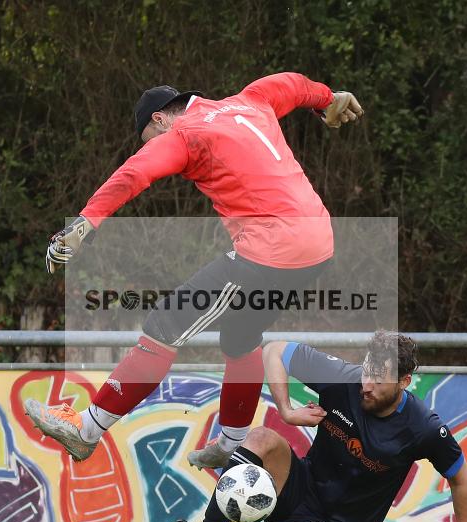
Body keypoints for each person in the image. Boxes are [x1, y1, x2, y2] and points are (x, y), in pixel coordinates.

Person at [25, 73, 364, 469]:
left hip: (271, 250)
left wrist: (84, 223)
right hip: (319, 243)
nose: (155, 146)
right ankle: (233, 442)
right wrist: (327, 99)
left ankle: (87, 429)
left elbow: (136, 173)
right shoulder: (251, 100)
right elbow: (290, 84)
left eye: (150, 139)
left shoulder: (185, 134)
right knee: (241, 337)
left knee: (166, 324)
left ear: (159, 120)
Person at [167, 330, 467, 522]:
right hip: (302, 489)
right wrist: (286, 410)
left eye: (379, 379)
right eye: (367, 371)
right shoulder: (344, 380)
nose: (367, 384)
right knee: (262, 437)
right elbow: (275, 351)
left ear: (404, 381)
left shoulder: (423, 427)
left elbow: (461, 480)